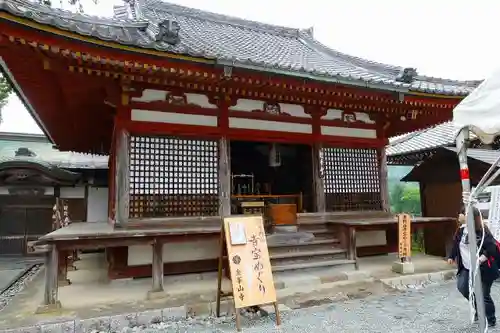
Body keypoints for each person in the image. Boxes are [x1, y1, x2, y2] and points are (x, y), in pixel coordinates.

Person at [448, 206, 499, 327]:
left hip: (484, 269)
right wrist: (451, 256)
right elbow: (456, 245)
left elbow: (492, 248)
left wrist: (480, 260)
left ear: (471, 217)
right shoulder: (461, 230)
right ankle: (478, 309)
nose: (460, 215)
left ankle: (490, 318)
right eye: (460, 213)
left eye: (462, 213)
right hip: (467, 267)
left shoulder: (482, 230)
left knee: (483, 294)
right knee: (463, 287)